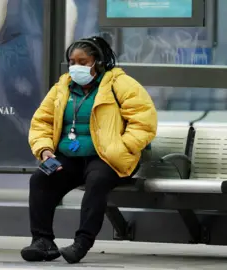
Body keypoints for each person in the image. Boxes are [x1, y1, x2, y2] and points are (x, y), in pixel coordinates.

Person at [21, 36, 158, 264]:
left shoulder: (120, 84)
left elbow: (144, 122)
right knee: (40, 178)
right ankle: (42, 241)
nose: (76, 67)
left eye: (83, 62)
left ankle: (82, 242)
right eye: (72, 62)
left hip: (106, 157)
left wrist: (121, 147)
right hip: (68, 157)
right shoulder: (62, 87)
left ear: (99, 61)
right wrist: (44, 150)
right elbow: (41, 121)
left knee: (96, 181)